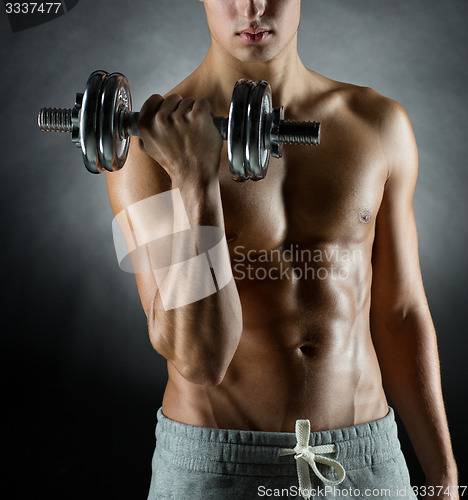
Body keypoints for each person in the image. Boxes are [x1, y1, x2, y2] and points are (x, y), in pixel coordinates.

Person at [106, 1, 458, 498]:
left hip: (365, 463)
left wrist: (443, 475)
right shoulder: (142, 150)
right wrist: (194, 178)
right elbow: (199, 358)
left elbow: (401, 313)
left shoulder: (377, 125)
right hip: (217, 469)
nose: (252, 7)